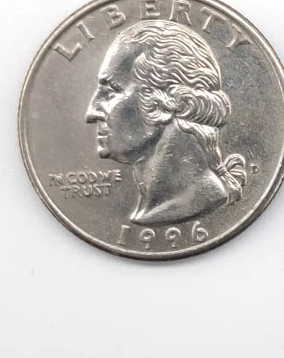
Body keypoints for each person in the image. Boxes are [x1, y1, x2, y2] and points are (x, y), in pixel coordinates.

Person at [86, 19, 247, 224]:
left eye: (110, 92)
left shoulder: (192, 203)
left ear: (163, 103)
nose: (91, 112)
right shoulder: (155, 210)